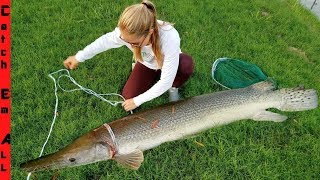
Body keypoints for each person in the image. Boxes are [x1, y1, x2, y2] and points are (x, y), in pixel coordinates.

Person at [63, 0, 194, 112]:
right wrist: (78, 57)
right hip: (147, 63)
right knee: (128, 96)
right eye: (126, 41)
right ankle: (148, 73)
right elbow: (102, 42)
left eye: (134, 43)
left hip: (169, 62)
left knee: (185, 64)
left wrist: (138, 101)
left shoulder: (169, 36)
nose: (130, 44)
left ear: (150, 32)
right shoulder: (125, 33)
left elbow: (166, 81)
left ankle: (174, 88)